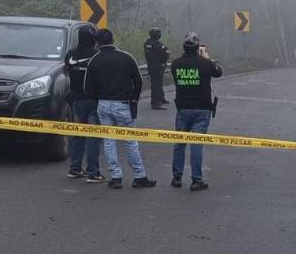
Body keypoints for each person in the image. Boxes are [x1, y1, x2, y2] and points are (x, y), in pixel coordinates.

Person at [83, 29, 157, 189]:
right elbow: (138, 80)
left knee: (109, 142)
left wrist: (98, 100)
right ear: (113, 39)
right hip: (123, 104)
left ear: (97, 43)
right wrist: (134, 98)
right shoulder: (126, 57)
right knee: (130, 142)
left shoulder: (94, 61)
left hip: (103, 104)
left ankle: (116, 177)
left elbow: (87, 87)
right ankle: (139, 176)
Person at [170, 32, 223, 191]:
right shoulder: (205, 64)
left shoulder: (175, 64)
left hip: (183, 108)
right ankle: (196, 179)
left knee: (179, 143)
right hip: (202, 109)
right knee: (196, 144)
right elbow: (218, 72)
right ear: (197, 47)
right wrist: (206, 57)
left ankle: (177, 177)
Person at [65, 25, 102, 181]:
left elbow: (68, 70)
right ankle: (93, 172)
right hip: (93, 100)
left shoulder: (70, 55)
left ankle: (75, 168)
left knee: (78, 135)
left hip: (76, 99)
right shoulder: (96, 55)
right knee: (93, 137)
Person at [143, 27, 170, 110]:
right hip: (157, 66)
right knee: (156, 84)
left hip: (152, 66)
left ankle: (161, 98)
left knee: (158, 83)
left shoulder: (148, 43)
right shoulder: (157, 44)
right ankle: (156, 103)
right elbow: (165, 53)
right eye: (159, 33)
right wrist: (164, 58)